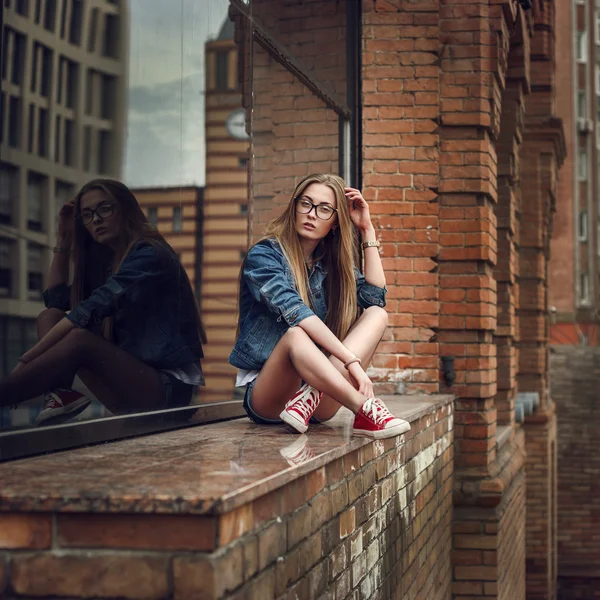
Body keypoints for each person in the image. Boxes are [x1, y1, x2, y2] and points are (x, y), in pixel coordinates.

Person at [0, 179, 205, 425]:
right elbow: (54, 300)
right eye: (87, 215)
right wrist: (64, 239)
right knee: (50, 316)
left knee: (79, 339)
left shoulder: (150, 253)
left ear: (125, 208)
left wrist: (25, 362)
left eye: (104, 209)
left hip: (167, 391)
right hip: (129, 386)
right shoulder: (109, 264)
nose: (96, 219)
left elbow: (88, 310)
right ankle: (60, 394)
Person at [229, 173, 410, 439]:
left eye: (325, 209)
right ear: (295, 207)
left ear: (336, 222)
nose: (312, 214)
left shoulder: (329, 266)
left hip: (316, 402)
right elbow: (297, 313)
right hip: (269, 397)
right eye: (306, 203)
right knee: (296, 333)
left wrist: (367, 230)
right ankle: (365, 409)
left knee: (376, 315)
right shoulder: (265, 256)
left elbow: (374, 298)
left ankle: (311, 394)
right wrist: (352, 363)